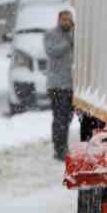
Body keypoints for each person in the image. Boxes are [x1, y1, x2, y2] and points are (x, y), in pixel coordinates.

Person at [44, 9, 75, 160]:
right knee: (59, 118)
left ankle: (62, 145)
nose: (66, 22)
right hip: (56, 85)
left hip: (70, 85)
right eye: (64, 20)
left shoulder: (73, 35)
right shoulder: (51, 35)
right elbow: (51, 51)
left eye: (69, 20)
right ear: (58, 20)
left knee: (67, 117)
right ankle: (59, 148)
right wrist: (67, 43)